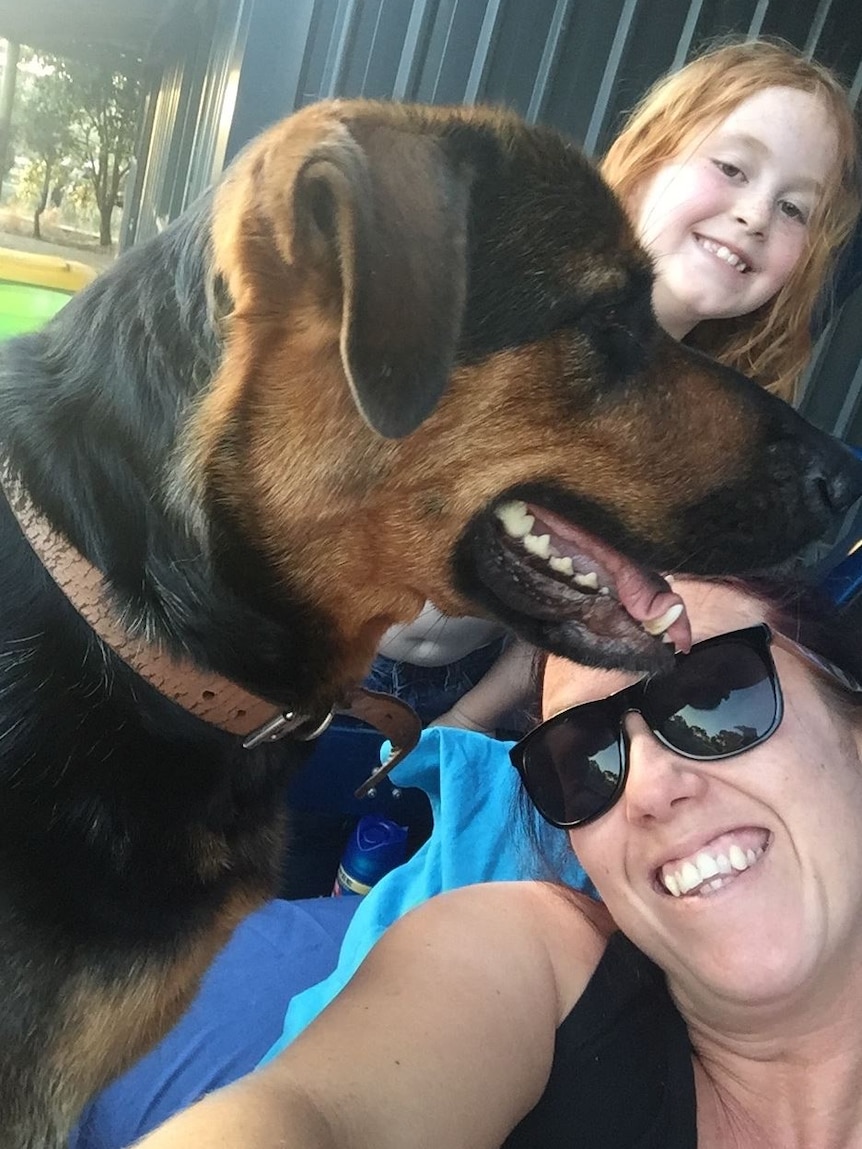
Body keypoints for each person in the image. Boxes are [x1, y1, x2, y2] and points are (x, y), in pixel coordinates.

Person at [72, 36, 862, 1146]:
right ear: (647, 157)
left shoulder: (707, 435)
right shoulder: (489, 273)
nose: (751, 215)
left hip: (457, 699)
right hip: (338, 669)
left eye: (794, 206)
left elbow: (579, 631)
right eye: (731, 168)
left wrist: (467, 729)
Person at [135, 571, 862, 1147]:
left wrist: (465, 715)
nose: (649, 787)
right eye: (579, 763)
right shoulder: (534, 961)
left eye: (713, 698)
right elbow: (315, 1116)